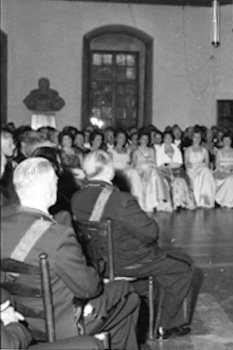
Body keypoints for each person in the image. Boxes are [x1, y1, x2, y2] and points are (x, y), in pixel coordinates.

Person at [0, 158, 140, 350]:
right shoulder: (57, 235)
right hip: (61, 325)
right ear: (48, 189)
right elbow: (89, 289)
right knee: (126, 293)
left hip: (18, 320)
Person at [71, 151, 195, 339]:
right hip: (127, 262)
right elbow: (150, 233)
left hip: (96, 263)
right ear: (109, 170)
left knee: (166, 262)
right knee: (183, 266)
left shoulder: (77, 198)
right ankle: (168, 325)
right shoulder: (121, 200)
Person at [129, 131, 172, 212]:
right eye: (143, 139)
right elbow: (134, 163)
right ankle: (151, 202)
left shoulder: (151, 150)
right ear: (139, 140)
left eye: (147, 139)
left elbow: (155, 163)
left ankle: (157, 200)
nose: (145, 141)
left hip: (151, 168)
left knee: (154, 173)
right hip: (140, 170)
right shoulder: (135, 152)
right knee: (151, 173)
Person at [155, 130, 195, 210]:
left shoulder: (176, 148)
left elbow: (180, 162)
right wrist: (168, 166)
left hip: (176, 170)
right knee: (168, 181)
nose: (168, 139)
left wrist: (173, 165)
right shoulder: (160, 150)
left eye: (170, 138)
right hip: (164, 171)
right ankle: (173, 203)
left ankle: (181, 202)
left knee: (180, 180)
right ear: (163, 139)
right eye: (166, 138)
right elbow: (159, 164)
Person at [184, 130, 216, 208]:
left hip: (202, 169)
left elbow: (207, 164)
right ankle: (203, 197)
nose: (197, 139)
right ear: (192, 138)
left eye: (199, 137)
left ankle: (205, 195)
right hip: (192, 170)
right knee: (204, 173)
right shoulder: (188, 150)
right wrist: (195, 166)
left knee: (206, 172)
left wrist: (201, 166)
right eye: (195, 137)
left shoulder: (204, 150)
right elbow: (186, 163)